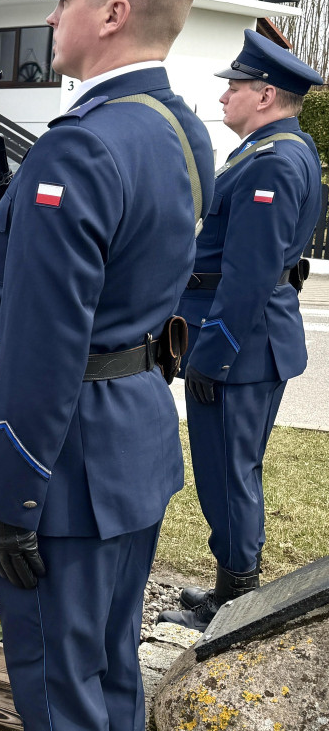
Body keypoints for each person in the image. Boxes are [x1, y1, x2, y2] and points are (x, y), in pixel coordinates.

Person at [0, 0, 223, 728]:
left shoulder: (79, 149)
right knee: (110, 674)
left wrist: (12, 498)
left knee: (60, 695)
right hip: (132, 448)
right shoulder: (183, 133)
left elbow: (42, 345)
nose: (51, 18)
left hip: (63, 475)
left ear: (112, 13)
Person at [159, 31, 324, 632]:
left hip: (239, 347)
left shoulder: (273, 161)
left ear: (266, 94)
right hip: (247, 343)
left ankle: (234, 604)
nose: (224, 96)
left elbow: (251, 272)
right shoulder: (274, 150)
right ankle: (234, 585)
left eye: (235, 86)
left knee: (228, 474)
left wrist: (215, 353)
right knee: (233, 470)